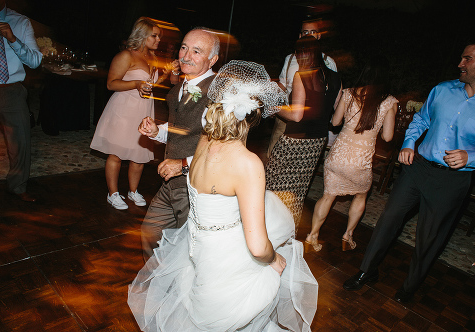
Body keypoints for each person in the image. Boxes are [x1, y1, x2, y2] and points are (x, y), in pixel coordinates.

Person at [128, 60, 318, 331]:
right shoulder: (247, 163)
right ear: (251, 120)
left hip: (198, 251)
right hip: (227, 261)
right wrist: (275, 260)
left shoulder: (203, 143)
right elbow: (256, 247)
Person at [342, 42, 475, 303]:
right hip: (418, 168)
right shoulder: (443, 89)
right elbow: (421, 120)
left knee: (429, 237)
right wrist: (409, 143)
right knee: (388, 219)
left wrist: (472, 156)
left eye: (467, 59)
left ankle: (410, 287)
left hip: (452, 181)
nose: (460, 64)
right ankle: (366, 271)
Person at [136, 27, 219, 259]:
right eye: (184, 47)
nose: (186, 55)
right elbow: (180, 131)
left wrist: (182, 164)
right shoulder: (179, 88)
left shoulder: (218, 95)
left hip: (197, 187)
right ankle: (159, 286)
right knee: (151, 232)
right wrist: (156, 131)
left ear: (212, 59)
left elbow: (221, 151)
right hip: (171, 183)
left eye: (196, 51)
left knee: (192, 248)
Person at [305, 56, 395, 252]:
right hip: (360, 160)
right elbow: (388, 137)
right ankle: (348, 235)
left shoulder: (349, 94)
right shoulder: (389, 102)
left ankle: (312, 235)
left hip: (338, 155)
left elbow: (335, 123)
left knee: (327, 196)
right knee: (361, 196)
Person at [90, 17, 172, 210]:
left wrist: (166, 73)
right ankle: (113, 193)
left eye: (159, 36)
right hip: (123, 109)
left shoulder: (152, 58)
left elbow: (151, 86)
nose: (158, 39)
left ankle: (133, 191)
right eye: (154, 35)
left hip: (144, 109)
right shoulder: (126, 55)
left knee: (139, 154)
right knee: (116, 154)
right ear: (143, 35)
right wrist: (135, 84)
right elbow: (111, 84)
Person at [266, 36, 342, 226]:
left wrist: (274, 107)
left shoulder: (302, 76)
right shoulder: (336, 79)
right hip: (317, 142)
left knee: (273, 186)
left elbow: (296, 115)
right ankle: (288, 232)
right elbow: (336, 114)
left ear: (301, 54)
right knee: (298, 190)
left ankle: (268, 229)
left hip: (294, 141)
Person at [0, 0, 42, 202]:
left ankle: (18, 186)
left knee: (20, 142)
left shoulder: (20, 21)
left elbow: (35, 61)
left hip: (14, 92)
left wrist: (12, 39)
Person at [268, 18, 338, 157]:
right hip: (285, 117)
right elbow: (283, 84)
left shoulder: (329, 63)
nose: (309, 35)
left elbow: (333, 95)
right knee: (272, 158)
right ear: (300, 35)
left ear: (319, 35)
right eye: (305, 32)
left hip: (311, 125)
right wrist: (268, 93)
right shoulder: (290, 58)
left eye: (313, 32)